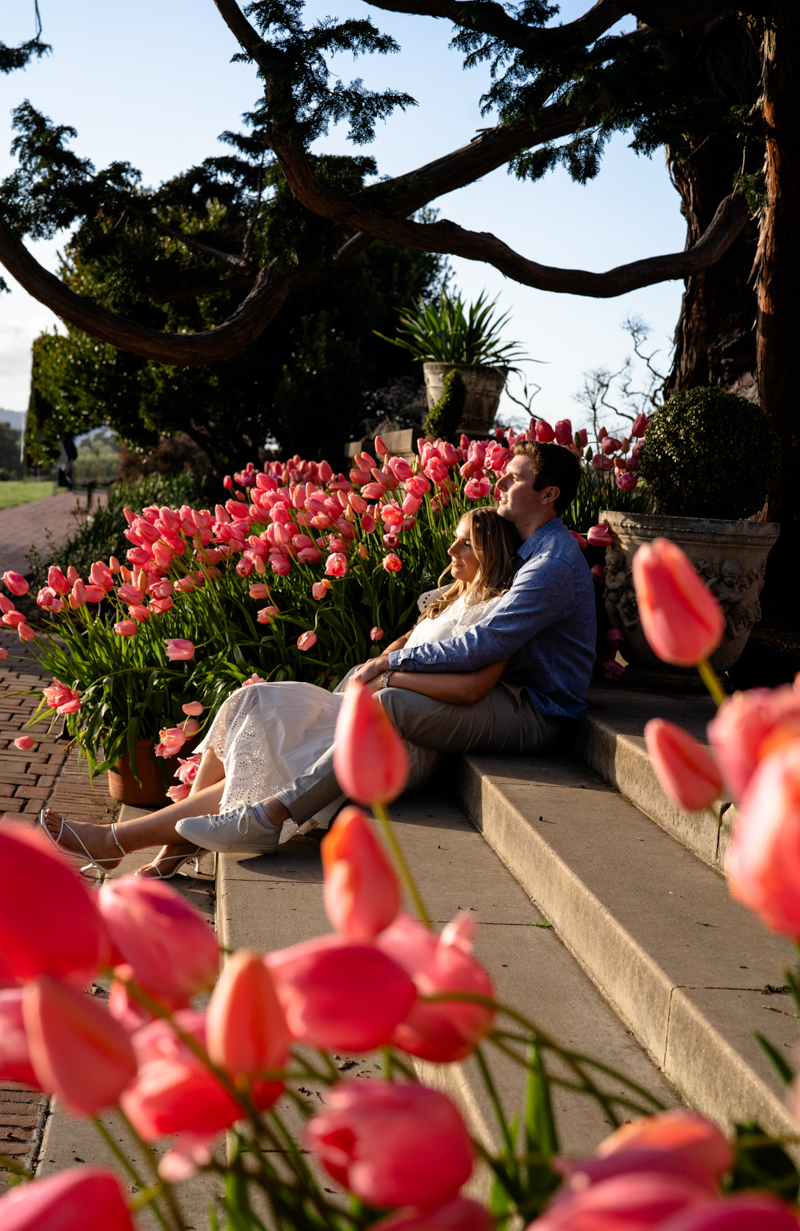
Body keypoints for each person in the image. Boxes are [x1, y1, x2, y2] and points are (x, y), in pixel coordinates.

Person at [40, 507, 523, 878]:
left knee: (281, 751)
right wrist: (380, 665)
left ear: (492, 553)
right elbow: (400, 648)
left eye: (466, 544)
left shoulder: (496, 613)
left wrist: (392, 677)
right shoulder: (445, 599)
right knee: (253, 700)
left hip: (401, 735)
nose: (452, 551)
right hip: (359, 704)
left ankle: (115, 840)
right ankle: (178, 843)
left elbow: (470, 686)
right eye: (455, 540)